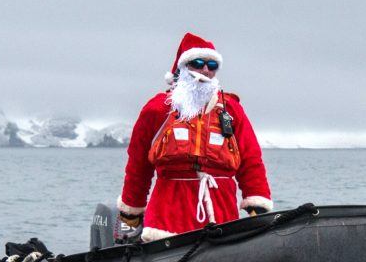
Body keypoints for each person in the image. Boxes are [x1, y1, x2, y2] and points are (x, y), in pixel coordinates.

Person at [117, 33, 273, 242]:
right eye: (197, 63)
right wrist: (131, 210)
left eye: (212, 65)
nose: (205, 70)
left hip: (222, 215)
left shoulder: (231, 110)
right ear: (182, 68)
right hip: (168, 216)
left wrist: (257, 204)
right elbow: (138, 164)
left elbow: (251, 158)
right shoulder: (157, 109)